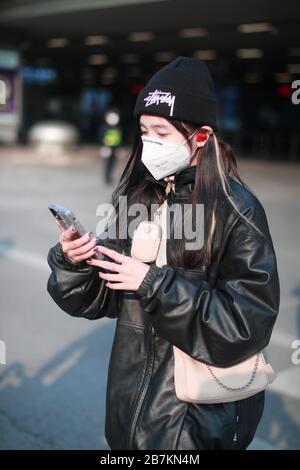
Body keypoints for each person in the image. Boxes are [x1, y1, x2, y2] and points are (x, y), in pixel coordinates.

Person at [47, 56, 280, 450]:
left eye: (161, 131)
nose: (149, 142)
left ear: (201, 137)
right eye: (143, 130)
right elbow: (96, 300)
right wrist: (76, 261)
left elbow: (245, 327)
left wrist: (155, 284)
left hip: (194, 424)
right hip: (128, 417)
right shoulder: (140, 198)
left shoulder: (237, 210)